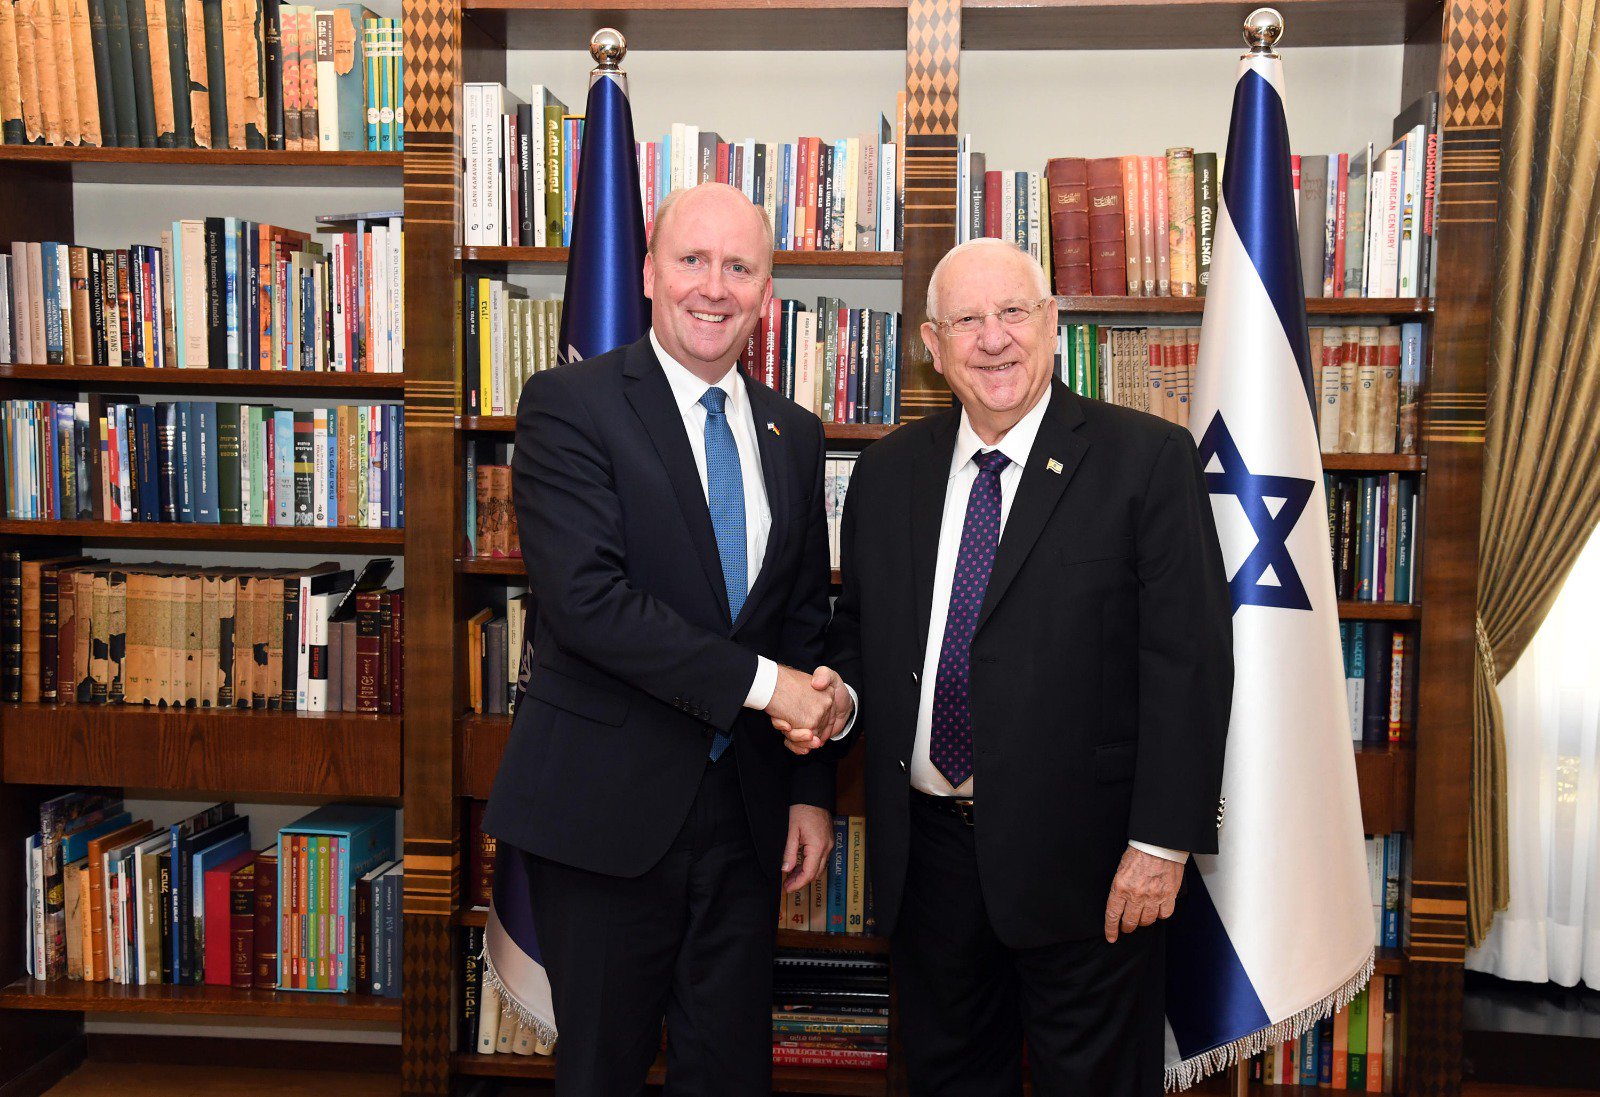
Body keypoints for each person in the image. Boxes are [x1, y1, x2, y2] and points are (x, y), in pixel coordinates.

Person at [811, 237, 1233, 1095]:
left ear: (1052, 324)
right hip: (928, 864)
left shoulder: (1145, 459)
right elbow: (859, 631)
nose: (993, 338)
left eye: (1013, 312)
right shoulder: (888, 473)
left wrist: (1161, 843)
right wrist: (839, 696)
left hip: (1094, 868)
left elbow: (1190, 660)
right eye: (968, 319)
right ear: (932, 344)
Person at [483, 182, 854, 1096]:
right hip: (605, 814)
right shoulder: (570, 403)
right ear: (649, 274)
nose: (714, 287)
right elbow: (588, 604)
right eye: (692, 260)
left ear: (769, 292)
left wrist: (810, 790)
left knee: (727, 1072)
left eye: (740, 267)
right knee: (602, 1071)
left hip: (746, 817)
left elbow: (803, 619)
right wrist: (774, 690)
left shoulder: (794, 434)